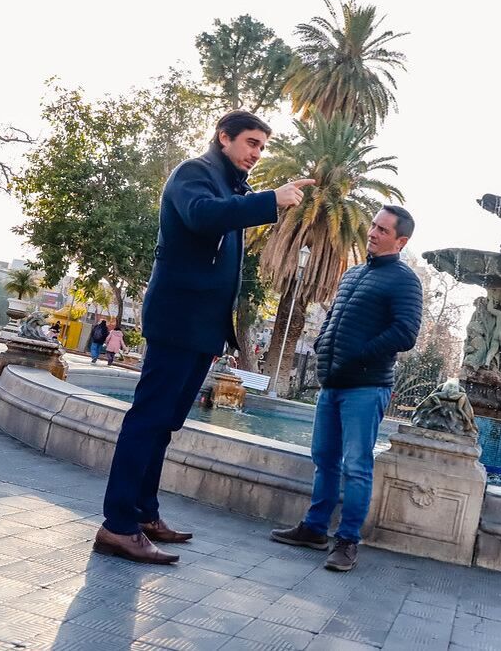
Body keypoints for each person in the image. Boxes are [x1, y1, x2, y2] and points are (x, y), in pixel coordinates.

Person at [96, 110, 309, 565]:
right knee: (148, 420)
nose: (256, 154)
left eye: (262, 147)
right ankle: (117, 525)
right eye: (251, 143)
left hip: (201, 328)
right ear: (224, 137)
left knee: (165, 425)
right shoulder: (194, 173)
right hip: (177, 320)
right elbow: (200, 217)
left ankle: (144, 514)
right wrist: (271, 199)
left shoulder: (230, 186)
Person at [271, 205, 422, 573]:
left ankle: (348, 541)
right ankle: (315, 529)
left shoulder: (405, 280)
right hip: (333, 384)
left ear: (400, 241)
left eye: (382, 230)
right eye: (372, 225)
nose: (371, 232)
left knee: (356, 466)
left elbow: (406, 333)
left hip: (366, 387)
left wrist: (358, 355)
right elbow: (334, 317)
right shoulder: (353, 274)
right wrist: (324, 344)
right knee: (324, 458)